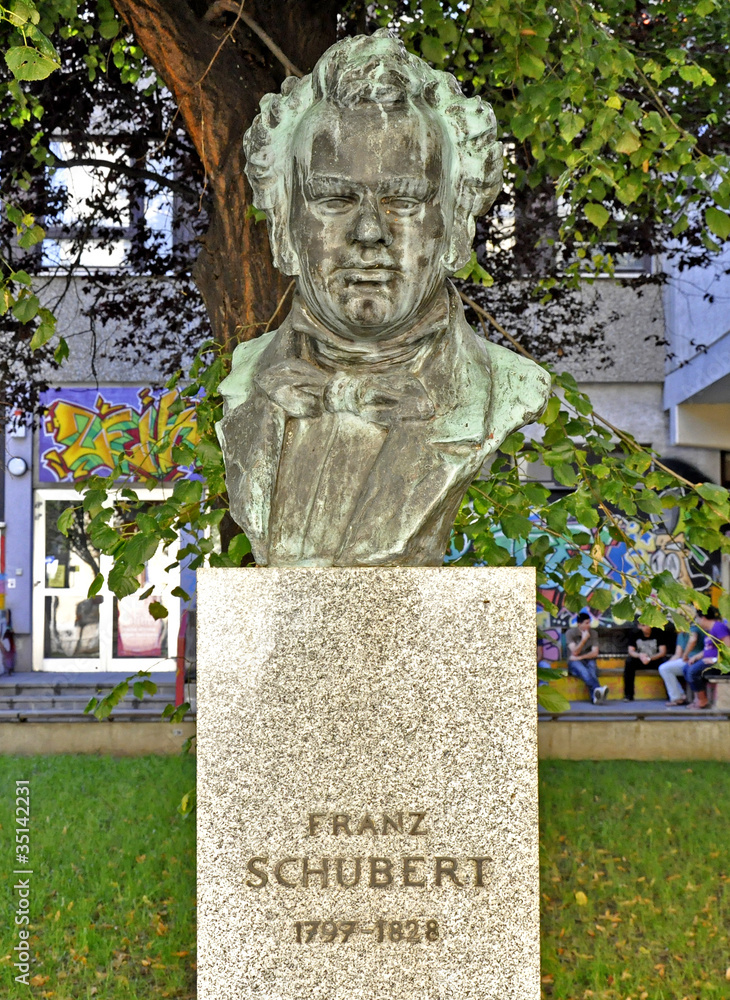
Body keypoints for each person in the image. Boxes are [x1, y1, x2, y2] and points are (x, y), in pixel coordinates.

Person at [216, 31, 550, 567]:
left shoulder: (509, 388)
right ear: (283, 223)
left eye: (405, 199)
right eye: (333, 198)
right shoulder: (248, 383)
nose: (369, 231)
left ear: (459, 224)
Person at [684, 606, 730, 709]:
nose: (697, 621)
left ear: (703, 617)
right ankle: (697, 698)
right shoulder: (708, 630)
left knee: (693, 671)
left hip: (720, 664)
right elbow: (708, 649)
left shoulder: (719, 627)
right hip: (708, 661)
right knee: (687, 667)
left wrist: (715, 659)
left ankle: (702, 701)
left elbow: (728, 648)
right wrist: (696, 656)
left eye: (697, 618)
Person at [565, 613, 608, 705]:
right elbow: (574, 652)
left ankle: (595, 698)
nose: (589, 625)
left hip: (586, 659)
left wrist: (580, 657)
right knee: (584, 671)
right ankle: (599, 689)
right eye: (586, 623)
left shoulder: (593, 633)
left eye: (589, 623)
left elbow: (595, 653)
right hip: (573, 663)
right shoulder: (570, 633)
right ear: (579, 624)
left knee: (592, 667)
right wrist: (584, 639)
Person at [658, 619, 701, 706]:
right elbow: (677, 654)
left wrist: (685, 655)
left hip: (697, 659)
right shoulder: (681, 635)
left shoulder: (694, 629)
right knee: (664, 668)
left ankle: (678, 697)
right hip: (686, 661)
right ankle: (679, 696)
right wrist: (667, 664)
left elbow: (693, 640)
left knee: (664, 668)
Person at [623, 622, 669, 701]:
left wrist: (650, 658)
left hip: (654, 659)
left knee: (665, 664)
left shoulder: (658, 632)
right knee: (629, 663)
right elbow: (631, 651)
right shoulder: (634, 634)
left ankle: (670, 694)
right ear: (639, 626)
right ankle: (628, 695)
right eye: (643, 625)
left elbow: (662, 652)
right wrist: (640, 656)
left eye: (648, 624)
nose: (647, 627)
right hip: (640, 660)